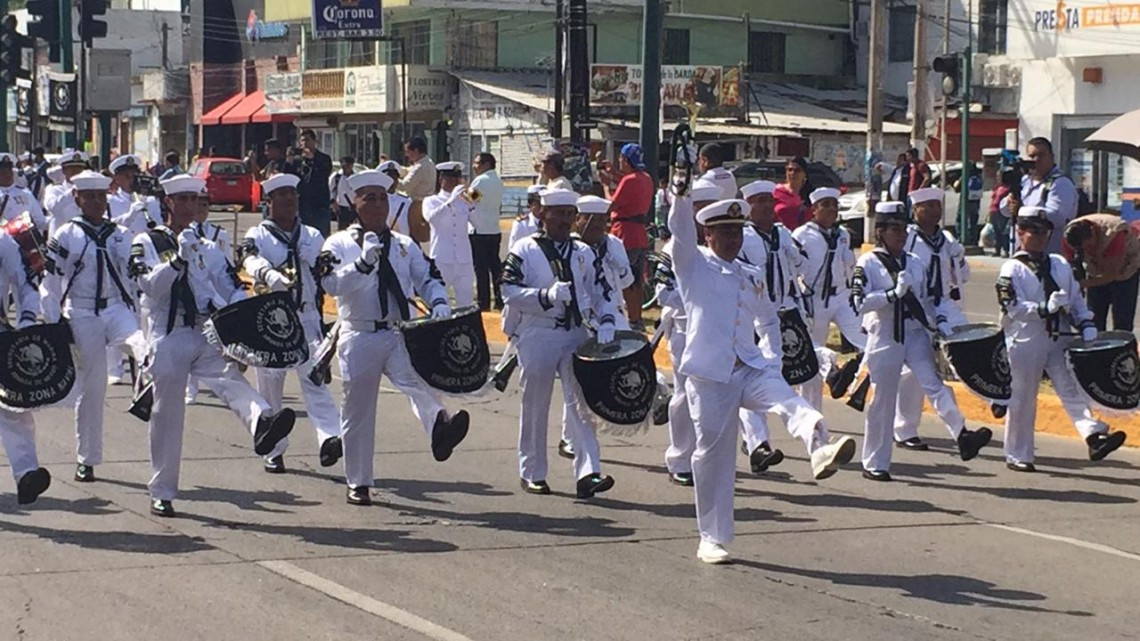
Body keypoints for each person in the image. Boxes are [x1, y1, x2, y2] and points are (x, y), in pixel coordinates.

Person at [666, 186, 856, 565]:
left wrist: (771, 359)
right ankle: (711, 538)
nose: (733, 239)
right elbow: (679, 231)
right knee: (713, 456)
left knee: (789, 400)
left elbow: (768, 320)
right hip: (710, 377)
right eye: (725, 233)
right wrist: (681, 192)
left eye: (737, 232)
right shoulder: (693, 266)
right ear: (708, 235)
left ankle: (819, 448)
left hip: (750, 366)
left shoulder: (750, 274)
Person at [128, 174, 297, 517]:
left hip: (205, 330)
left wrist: (246, 318)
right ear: (168, 203)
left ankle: (263, 423)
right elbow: (149, 287)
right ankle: (162, 490)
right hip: (169, 332)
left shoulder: (208, 247)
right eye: (184, 200)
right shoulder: (147, 241)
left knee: (232, 381)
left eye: (196, 199)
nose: (192, 207)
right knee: (167, 415)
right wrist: (177, 260)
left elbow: (232, 287)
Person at [318, 169, 471, 506]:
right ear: (354, 203)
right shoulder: (338, 243)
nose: (376, 204)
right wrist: (361, 265)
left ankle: (439, 429)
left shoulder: (403, 244)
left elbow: (426, 275)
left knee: (419, 383)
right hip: (359, 332)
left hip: (397, 332)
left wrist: (440, 301)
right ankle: (358, 481)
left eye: (382, 197)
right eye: (368, 197)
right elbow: (329, 284)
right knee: (358, 411)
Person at [852, 201, 992, 481]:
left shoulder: (914, 263)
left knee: (935, 385)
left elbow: (933, 299)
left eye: (903, 228)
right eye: (894, 229)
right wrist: (891, 294)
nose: (901, 234)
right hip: (886, 334)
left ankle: (962, 434)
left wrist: (939, 319)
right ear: (880, 231)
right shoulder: (868, 262)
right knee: (883, 400)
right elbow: (858, 303)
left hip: (915, 333)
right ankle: (875, 462)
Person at [501, 188, 619, 499]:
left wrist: (607, 319)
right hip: (538, 332)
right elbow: (508, 290)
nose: (565, 220)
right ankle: (533, 471)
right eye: (559, 213)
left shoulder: (583, 252)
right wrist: (544, 297)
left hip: (575, 333)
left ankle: (589, 472)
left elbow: (602, 292)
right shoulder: (525, 249)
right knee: (536, 404)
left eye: (570, 214)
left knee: (582, 405)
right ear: (543, 213)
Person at [996, 206, 1127, 471]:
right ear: (1020, 232)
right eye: (1034, 231)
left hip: (1059, 336)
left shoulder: (1058, 264)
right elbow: (1012, 307)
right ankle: (1018, 453)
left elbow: (1076, 299)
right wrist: (1044, 308)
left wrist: (1086, 322)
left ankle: (1093, 436)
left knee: (1071, 388)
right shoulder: (1012, 268)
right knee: (1023, 397)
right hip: (1025, 339)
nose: (1041, 237)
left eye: (1045, 232)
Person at [41, 170, 148, 484]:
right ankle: (86, 458)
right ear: (77, 199)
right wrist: (52, 322)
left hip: (115, 306)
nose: (97, 202)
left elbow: (134, 273)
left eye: (101, 196)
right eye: (90, 197)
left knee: (140, 341)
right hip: (82, 311)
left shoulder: (119, 234)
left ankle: (150, 383)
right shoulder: (65, 235)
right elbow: (50, 281)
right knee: (92, 387)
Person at [241, 173, 342, 473]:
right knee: (270, 385)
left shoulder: (312, 235)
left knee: (315, 379)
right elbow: (247, 259)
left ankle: (330, 439)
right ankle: (274, 448)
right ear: (269, 202)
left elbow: (326, 272)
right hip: (271, 321)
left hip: (307, 316)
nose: (288, 200)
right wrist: (267, 273)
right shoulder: (257, 234)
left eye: (292, 195)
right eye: (281, 195)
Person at [893, 187, 974, 448]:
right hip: (918, 306)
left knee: (968, 346)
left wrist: (960, 260)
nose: (933, 211)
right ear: (915, 210)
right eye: (926, 206)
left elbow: (963, 277)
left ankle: (992, 394)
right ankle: (905, 429)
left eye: (936, 205)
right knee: (913, 373)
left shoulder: (947, 240)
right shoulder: (908, 239)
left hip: (945, 305)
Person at [792, 187, 867, 410]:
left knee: (866, 340)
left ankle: (853, 384)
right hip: (814, 300)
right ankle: (811, 413)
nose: (832, 209)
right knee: (813, 352)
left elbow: (850, 266)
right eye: (826, 205)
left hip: (840, 296)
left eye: (834, 205)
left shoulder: (842, 235)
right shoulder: (801, 235)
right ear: (814, 209)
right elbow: (794, 269)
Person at [0, 224, 49, 504]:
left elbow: (27, 283)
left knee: (12, 406)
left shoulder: (4, 243)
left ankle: (27, 473)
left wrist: (27, 320)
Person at [603, 143, 653, 330]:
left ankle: (630, 318)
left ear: (626, 160)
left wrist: (606, 186)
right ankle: (637, 317)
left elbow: (611, 205)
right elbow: (628, 181)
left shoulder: (628, 181)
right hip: (639, 233)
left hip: (624, 232)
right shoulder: (645, 178)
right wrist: (614, 173)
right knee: (637, 280)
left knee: (624, 279)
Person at [1062, 213, 1140, 332]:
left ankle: (1122, 349)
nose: (1086, 249)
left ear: (1093, 232)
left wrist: (1082, 284)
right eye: (1082, 249)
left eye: (1088, 245)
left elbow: (1111, 275)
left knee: (1122, 321)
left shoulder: (1114, 233)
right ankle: (1095, 347)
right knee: (1094, 319)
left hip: (1124, 271)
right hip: (1094, 270)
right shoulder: (1068, 237)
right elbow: (1069, 263)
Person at [1007, 137, 1077, 254]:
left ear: (1051, 156)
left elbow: (1057, 217)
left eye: (1041, 155)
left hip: (1048, 255)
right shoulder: (1025, 181)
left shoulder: (1060, 183)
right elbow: (1004, 210)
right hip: (1021, 251)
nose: (1036, 160)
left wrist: (1022, 211)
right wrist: (1010, 202)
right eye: (1032, 156)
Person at [423, 161, 478, 308]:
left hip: (463, 258)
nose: (454, 182)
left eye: (456, 178)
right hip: (442, 258)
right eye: (450, 178)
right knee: (440, 299)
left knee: (466, 303)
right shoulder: (431, 200)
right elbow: (431, 218)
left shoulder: (464, 200)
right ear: (441, 179)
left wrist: (473, 201)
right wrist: (451, 201)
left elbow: (480, 223)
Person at [468, 152, 506, 311]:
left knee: (481, 268)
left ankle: (483, 303)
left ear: (486, 164)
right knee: (495, 266)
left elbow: (471, 198)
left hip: (479, 229)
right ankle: (500, 299)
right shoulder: (498, 181)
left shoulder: (480, 180)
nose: (474, 166)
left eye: (477, 163)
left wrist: (464, 190)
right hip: (494, 229)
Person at [108, 154, 161, 235]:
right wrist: (129, 216)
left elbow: (158, 227)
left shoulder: (150, 200)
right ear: (117, 179)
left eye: (135, 176)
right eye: (127, 176)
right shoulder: (110, 200)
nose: (132, 180)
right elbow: (108, 226)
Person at [397, 137, 436, 244]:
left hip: (417, 206)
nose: (406, 155)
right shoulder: (428, 162)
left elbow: (405, 186)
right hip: (425, 203)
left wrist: (391, 179)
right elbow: (410, 171)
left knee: (414, 237)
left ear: (416, 151)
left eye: (408, 152)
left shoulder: (420, 167)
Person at [296, 129, 333, 238]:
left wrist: (312, 159)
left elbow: (324, 172)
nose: (305, 143)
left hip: (319, 204)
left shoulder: (324, 158)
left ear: (314, 141)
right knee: (303, 237)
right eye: (302, 140)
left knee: (321, 235)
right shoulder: (298, 160)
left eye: (307, 140)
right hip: (303, 204)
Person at [44, 150, 90, 235]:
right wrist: (71, 192)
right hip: (60, 241)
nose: (76, 171)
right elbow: (53, 208)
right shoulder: (55, 189)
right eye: (72, 169)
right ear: (64, 171)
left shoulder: (89, 190)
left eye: (79, 168)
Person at [0, 152, 47, 230]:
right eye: (2, 172)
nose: (7, 174)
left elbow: (40, 221)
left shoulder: (25, 193)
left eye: (9, 170)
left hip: (24, 239)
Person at [774, 156, 811, 230]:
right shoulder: (776, 191)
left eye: (797, 170)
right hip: (781, 236)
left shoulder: (810, 194)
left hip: (805, 237)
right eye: (789, 170)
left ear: (804, 174)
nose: (792, 173)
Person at [378, 160, 413, 232]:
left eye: (394, 178)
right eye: (389, 178)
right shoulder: (377, 201)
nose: (392, 181)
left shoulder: (407, 201)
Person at [329, 155, 357, 230]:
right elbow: (331, 190)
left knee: (353, 229)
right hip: (341, 207)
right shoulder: (336, 176)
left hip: (353, 206)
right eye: (344, 166)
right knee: (342, 229)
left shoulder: (356, 177)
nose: (346, 167)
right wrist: (333, 203)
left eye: (348, 165)